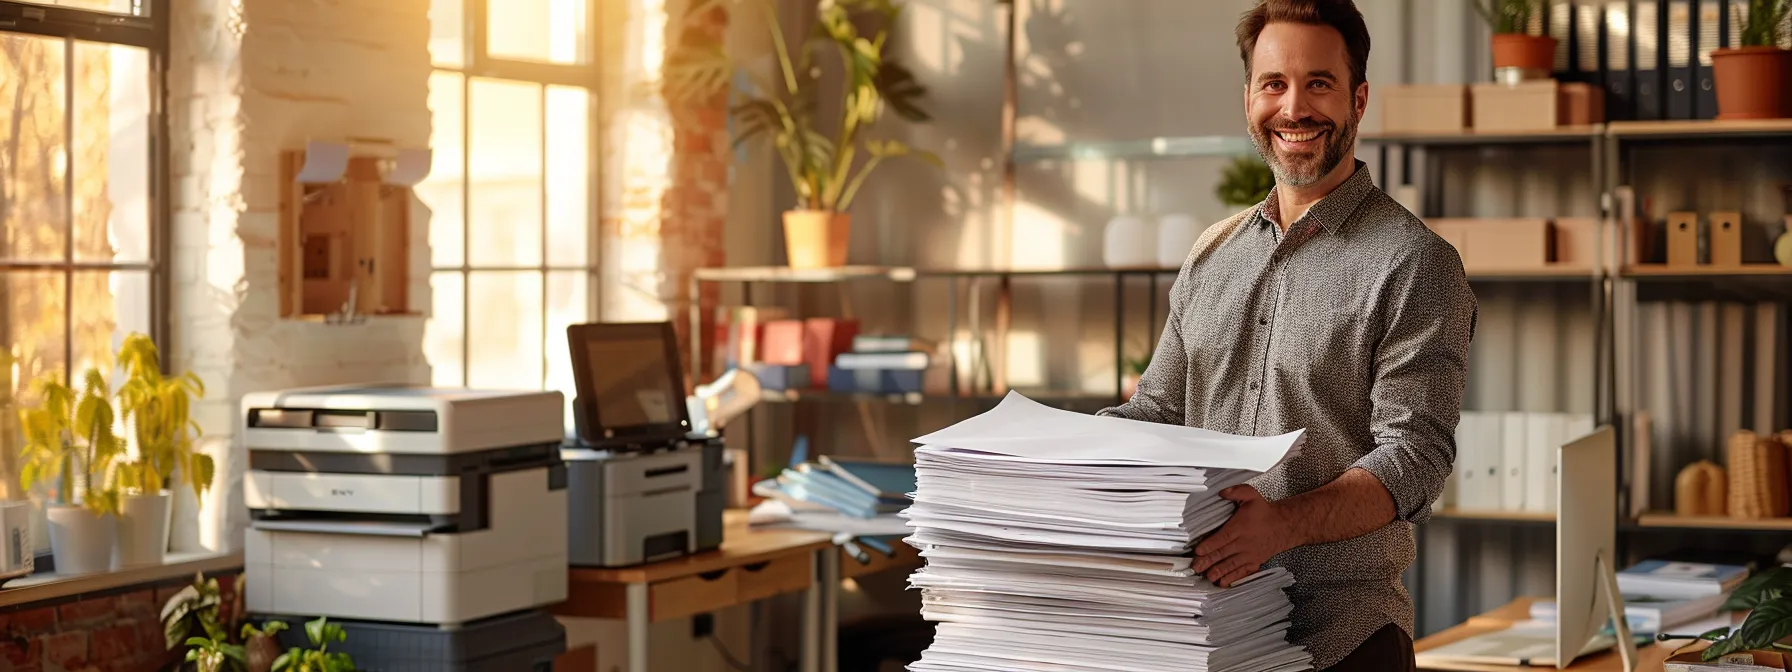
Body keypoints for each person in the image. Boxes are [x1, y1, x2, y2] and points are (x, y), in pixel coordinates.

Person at [1096, 1, 1477, 670]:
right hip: (1206, 634)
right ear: (1249, 98)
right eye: (1274, 83)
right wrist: (1062, 459)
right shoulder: (1212, 253)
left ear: (1358, 98)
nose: (1294, 108)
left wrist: (1281, 524)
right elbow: (1157, 411)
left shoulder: (1416, 262)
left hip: (1342, 643)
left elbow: (1415, 456)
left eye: (1318, 83)